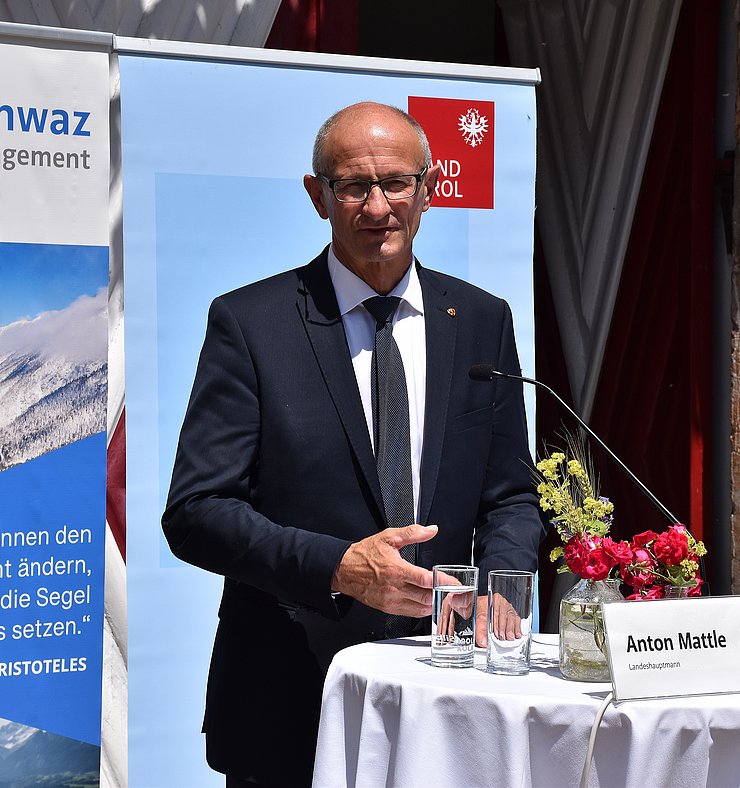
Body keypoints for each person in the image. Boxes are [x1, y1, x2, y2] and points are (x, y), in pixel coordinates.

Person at [162, 101, 546, 787]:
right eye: (353, 186)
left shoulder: (482, 320)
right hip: (291, 703)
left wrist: (500, 590)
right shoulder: (250, 324)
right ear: (318, 197)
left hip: (452, 702)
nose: (378, 206)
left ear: (429, 190)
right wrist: (338, 566)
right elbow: (196, 511)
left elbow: (511, 495)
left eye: (397, 183)